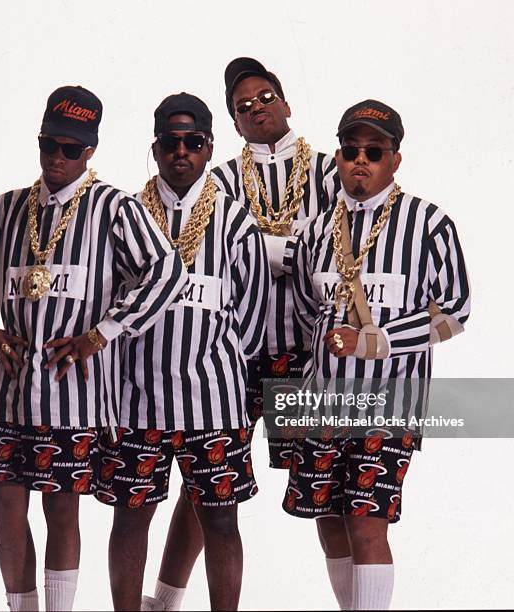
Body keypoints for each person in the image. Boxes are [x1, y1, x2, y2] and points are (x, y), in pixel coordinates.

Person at [0, 85, 186, 612]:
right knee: (4, 503)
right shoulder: (7, 210)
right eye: (49, 143)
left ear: (90, 150)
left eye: (71, 148)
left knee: (60, 507)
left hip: (73, 394)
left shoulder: (113, 208)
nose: (57, 156)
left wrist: (103, 333)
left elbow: (167, 273)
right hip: (11, 392)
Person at [146, 57, 340, 611]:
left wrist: (281, 250)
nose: (256, 108)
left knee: (324, 486)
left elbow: (347, 244)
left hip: (308, 355)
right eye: (242, 106)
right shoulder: (219, 182)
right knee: (203, 485)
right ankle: (164, 599)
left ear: (286, 101)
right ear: (230, 124)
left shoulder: (331, 171)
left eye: (265, 96)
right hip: (230, 359)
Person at [285, 99, 471, 610]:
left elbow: (454, 312)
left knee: (367, 523)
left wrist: (378, 340)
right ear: (339, 157)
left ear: (395, 159)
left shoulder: (429, 223)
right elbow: (307, 311)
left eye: (374, 150)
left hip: (387, 402)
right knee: (328, 520)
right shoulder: (317, 232)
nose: (360, 160)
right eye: (350, 150)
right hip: (322, 400)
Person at [95, 92, 270, 612]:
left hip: (212, 402)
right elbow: (107, 303)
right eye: (170, 142)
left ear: (209, 147)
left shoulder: (237, 223)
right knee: (130, 516)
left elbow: (251, 320)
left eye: (193, 142)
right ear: (155, 148)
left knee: (220, 519)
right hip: (135, 400)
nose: (181, 152)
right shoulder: (124, 216)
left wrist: (214, 367)